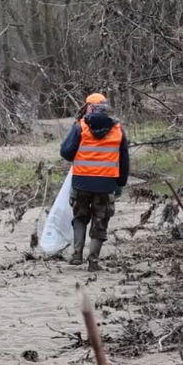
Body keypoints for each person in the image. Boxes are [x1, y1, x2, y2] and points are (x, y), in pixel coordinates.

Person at [60, 93, 129, 271]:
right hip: (106, 185)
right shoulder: (118, 130)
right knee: (101, 221)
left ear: (89, 108)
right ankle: (93, 261)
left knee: (80, 217)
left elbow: (66, 152)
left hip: (81, 182)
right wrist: (120, 183)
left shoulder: (80, 127)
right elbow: (124, 160)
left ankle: (76, 255)